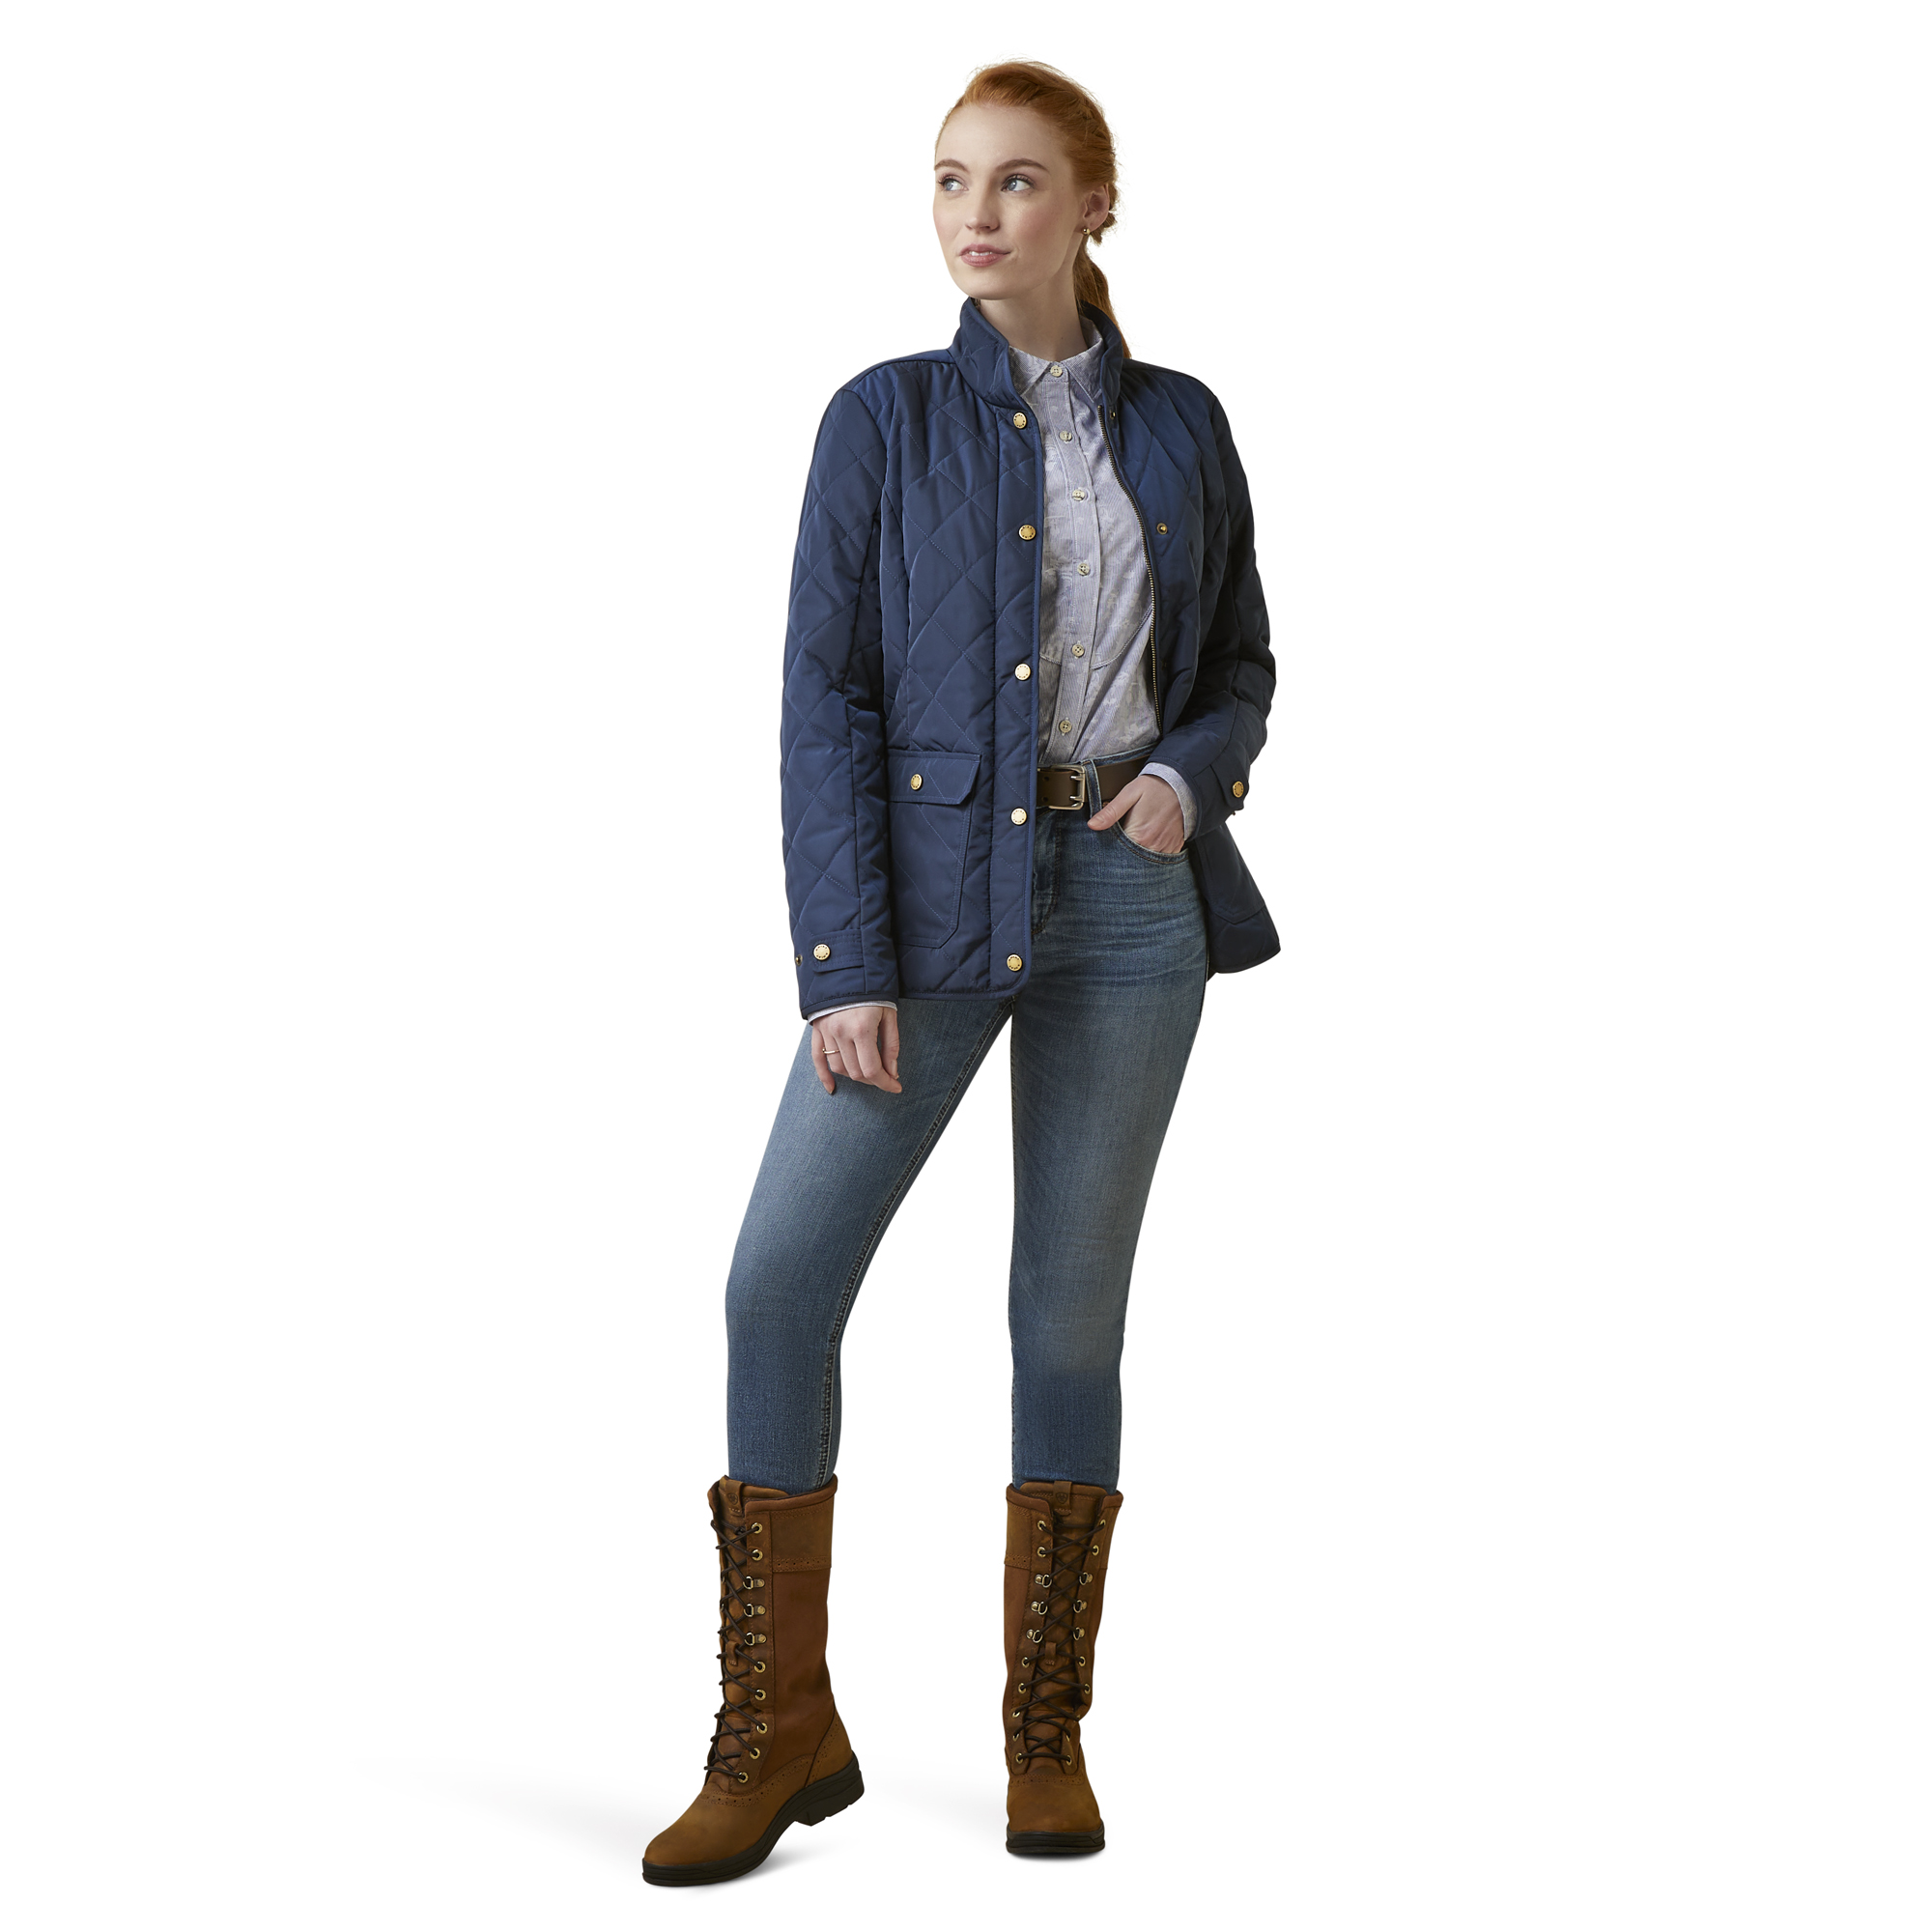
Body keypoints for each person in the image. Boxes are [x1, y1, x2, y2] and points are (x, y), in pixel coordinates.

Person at [642, 59, 1278, 1887]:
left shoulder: (1185, 426)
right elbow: (821, 696)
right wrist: (838, 962)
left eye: (1013, 180)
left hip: (1132, 913)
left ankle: (1043, 1737)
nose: (974, 214)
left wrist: (1187, 777)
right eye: (948, 181)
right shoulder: (884, 417)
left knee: (1067, 1322)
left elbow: (1240, 662)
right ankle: (779, 1729)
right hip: (921, 915)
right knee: (778, 1282)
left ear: (1094, 204)